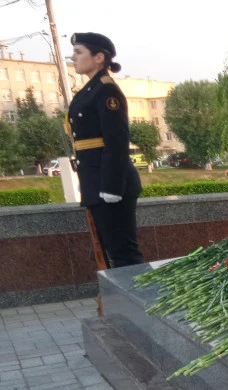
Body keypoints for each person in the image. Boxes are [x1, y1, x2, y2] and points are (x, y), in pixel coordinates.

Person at [67, 32, 143, 268]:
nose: (73, 57)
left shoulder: (106, 90)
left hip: (111, 185)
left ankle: (142, 304)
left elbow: (117, 140)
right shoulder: (91, 90)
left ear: (99, 57)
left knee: (124, 254)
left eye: (79, 52)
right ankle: (124, 304)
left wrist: (110, 187)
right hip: (96, 181)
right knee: (109, 252)